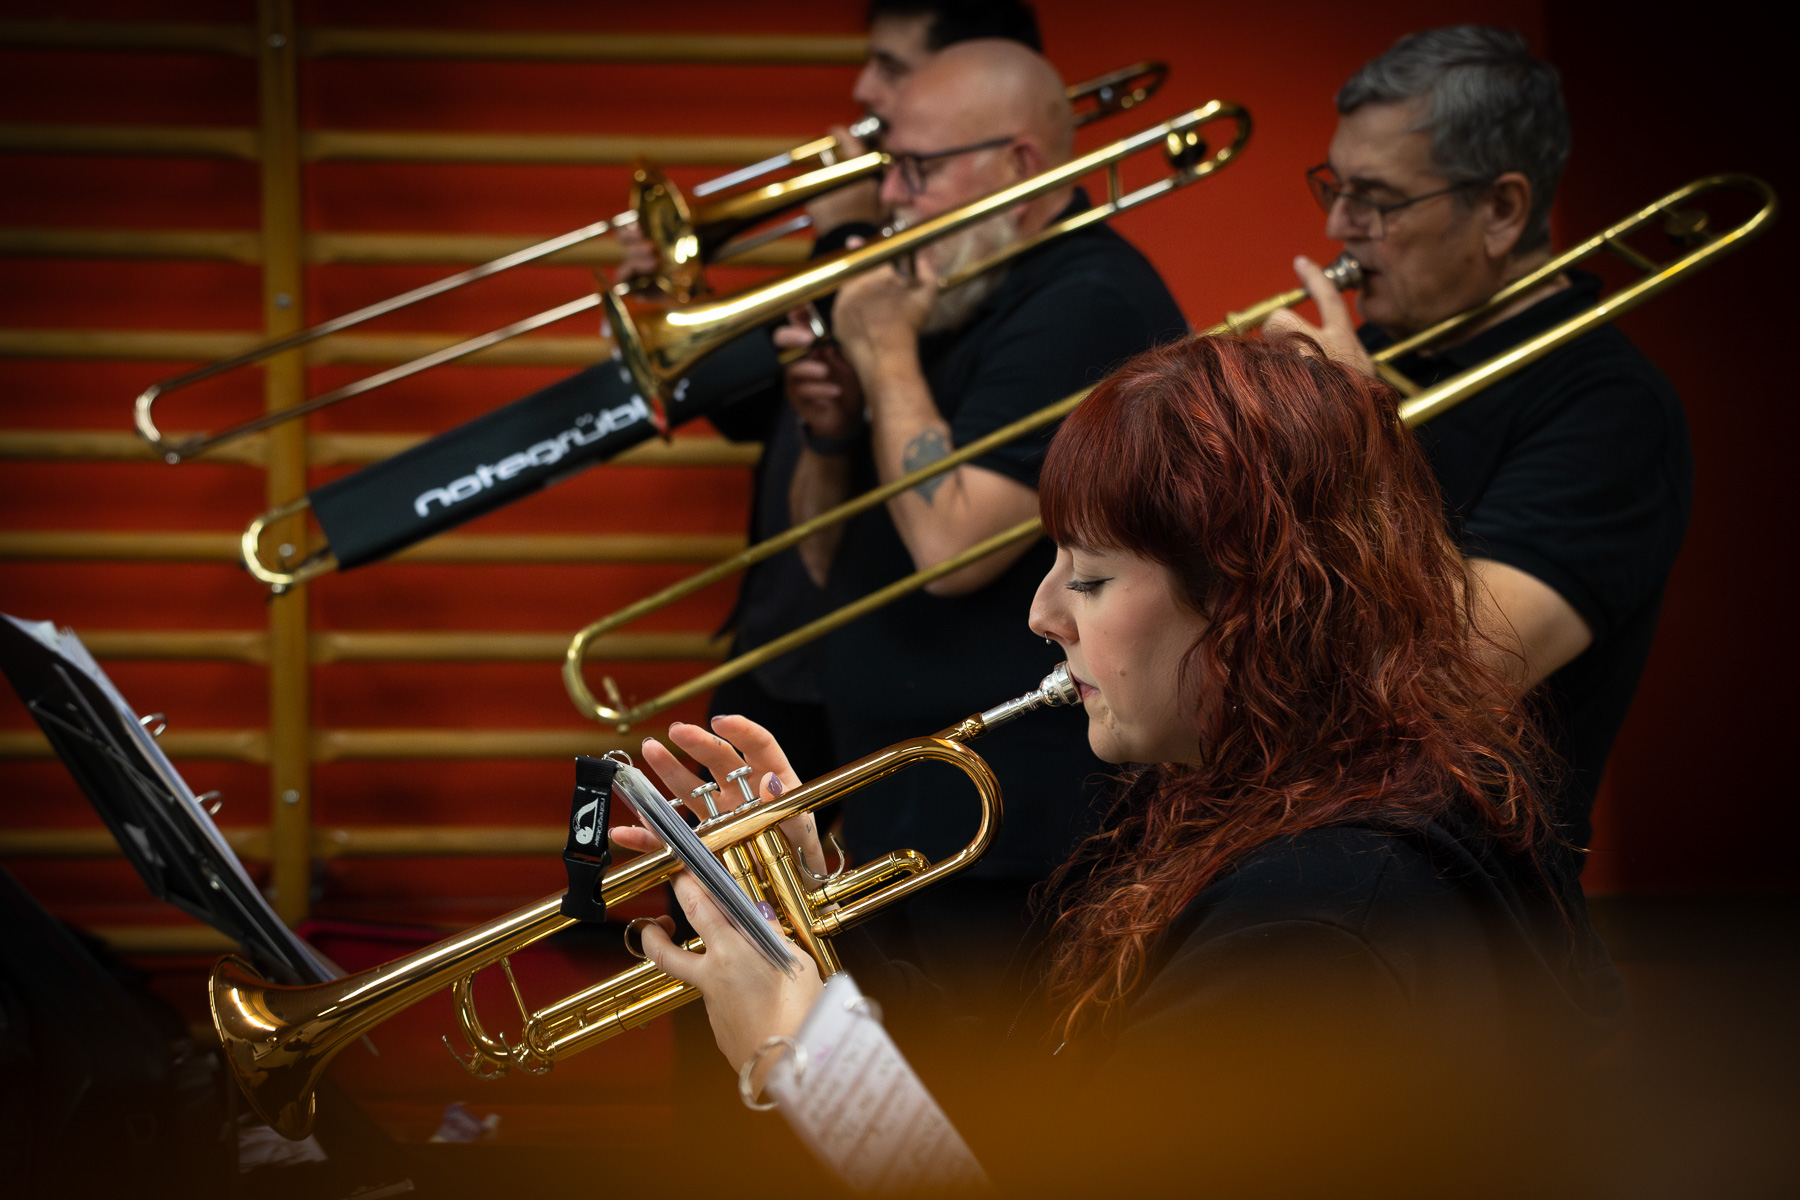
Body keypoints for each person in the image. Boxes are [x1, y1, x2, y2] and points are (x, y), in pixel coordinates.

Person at [619, 335, 1626, 1193]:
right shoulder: (1251, 797)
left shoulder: (1318, 920)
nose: (1041, 614)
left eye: (1091, 578)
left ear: (1251, 601)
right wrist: (813, 916)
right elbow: (1036, 1099)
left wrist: (800, 1057)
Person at [773, 37, 1186, 1009]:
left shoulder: (1086, 298)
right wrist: (832, 436)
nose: (891, 197)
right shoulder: (952, 290)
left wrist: (883, 355)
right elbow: (820, 557)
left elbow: (952, 549)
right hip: (908, 800)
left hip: (1015, 827)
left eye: (918, 169)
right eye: (890, 168)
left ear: (1019, 164)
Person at [1263, 26, 1693, 864]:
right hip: (1296, 848)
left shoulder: (1613, 407)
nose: (1340, 225)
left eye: (1377, 200)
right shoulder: (1374, 348)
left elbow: (1457, 669)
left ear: (1500, 210)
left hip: (1460, 887)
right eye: (1337, 189)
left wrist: (1356, 436)